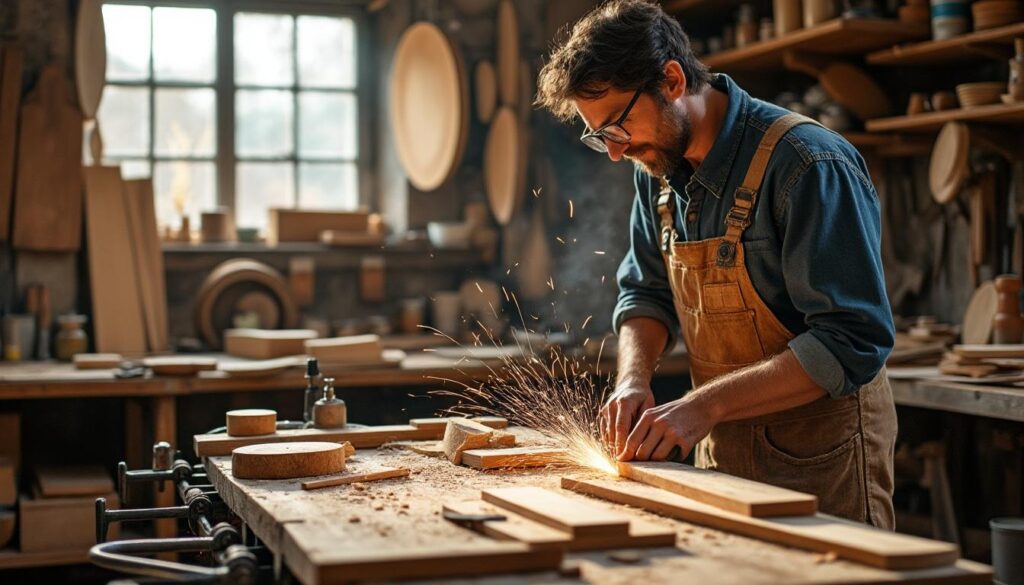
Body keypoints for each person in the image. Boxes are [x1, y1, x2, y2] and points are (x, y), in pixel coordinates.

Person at [536, 0, 897, 528]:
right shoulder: (655, 169)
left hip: (822, 462)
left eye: (618, 125)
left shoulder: (808, 164)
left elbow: (852, 340)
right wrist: (631, 381)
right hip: (724, 456)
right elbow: (646, 292)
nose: (616, 152)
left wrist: (701, 407)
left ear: (673, 80)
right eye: (601, 137)